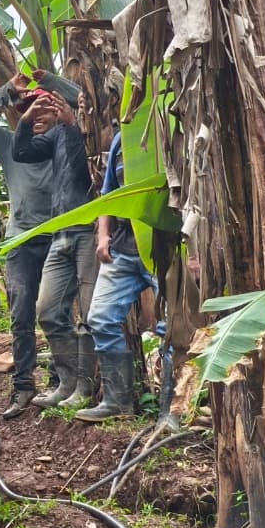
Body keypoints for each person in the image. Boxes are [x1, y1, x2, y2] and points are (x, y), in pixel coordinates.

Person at [0, 74, 54, 419]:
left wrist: (54, 85)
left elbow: (85, 104)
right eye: (30, 107)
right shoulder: (9, 144)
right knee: (21, 315)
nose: (37, 114)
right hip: (20, 240)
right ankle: (23, 386)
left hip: (60, 237)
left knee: (56, 314)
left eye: (44, 108)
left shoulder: (65, 140)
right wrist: (7, 90)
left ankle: (60, 381)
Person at [12, 72, 98, 409]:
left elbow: (83, 166)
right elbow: (21, 152)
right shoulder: (53, 137)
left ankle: (86, 390)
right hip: (59, 232)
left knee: (90, 315)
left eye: (44, 104)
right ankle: (67, 382)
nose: (39, 111)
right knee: (47, 311)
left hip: (89, 229)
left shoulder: (78, 131)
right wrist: (26, 120)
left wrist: (74, 122)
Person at [75, 131, 155, 422]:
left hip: (165, 251)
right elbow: (108, 194)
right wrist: (103, 234)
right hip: (122, 248)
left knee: (172, 328)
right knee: (100, 318)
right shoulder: (123, 138)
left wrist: (195, 253)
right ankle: (118, 402)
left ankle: (173, 409)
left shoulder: (175, 128)